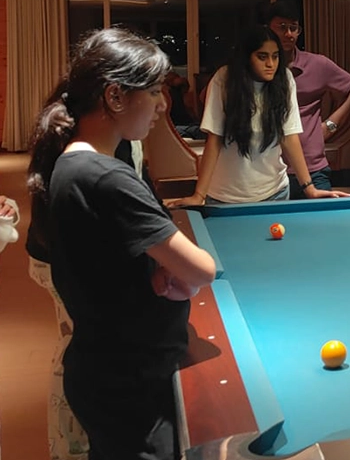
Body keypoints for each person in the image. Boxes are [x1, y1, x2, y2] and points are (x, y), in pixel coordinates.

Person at [26, 27, 217, 460]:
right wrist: (174, 268)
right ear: (114, 96)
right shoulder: (106, 177)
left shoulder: (71, 164)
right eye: (152, 92)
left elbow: (105, 262)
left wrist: (155, 269)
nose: (163, 104)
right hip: (130, 381)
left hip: (107, 369)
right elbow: (202, 268)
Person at [26, 139, 160, 460]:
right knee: (83, 344)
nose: (159, 112)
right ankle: (71, 450)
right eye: (153, 99)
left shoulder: (119, 137)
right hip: (65, 255)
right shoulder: (93, 144)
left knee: (84, 345)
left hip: (74, 252)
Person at [166, 26, 349, 206]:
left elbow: (289, 136)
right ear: (247, 58)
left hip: (275, 192)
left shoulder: (284, 79)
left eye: (275, 56)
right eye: (262, 57)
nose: (271, 64)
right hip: (224, 195)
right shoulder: (224, 79)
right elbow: (215, 139)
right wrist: (199, 195)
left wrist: (309, 188)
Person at [265, 0, 350, 197]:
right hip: (267, 169)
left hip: (313, 167)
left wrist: (330, 125)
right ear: (267, 29)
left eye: (294, 28)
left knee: (324, 214)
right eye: (282, 27)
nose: (289, 34)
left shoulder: (317, 64)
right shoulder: (258, 69)